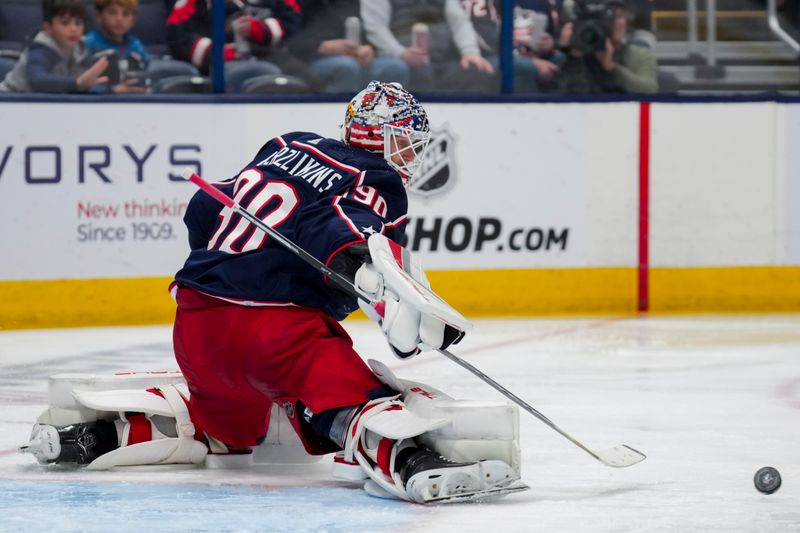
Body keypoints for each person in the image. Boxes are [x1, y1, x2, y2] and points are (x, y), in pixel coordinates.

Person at [19, 81, 526, 504]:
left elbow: (201, 208)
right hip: (276, 335)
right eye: (406, 141)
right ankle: (411, 461)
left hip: (196, 321)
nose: (411, 154)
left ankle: (101, 437)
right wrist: (377, 285)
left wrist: (235, 270)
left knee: (226, 429)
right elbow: (344, 232)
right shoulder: (375, 177)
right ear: (381, 137)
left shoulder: (287, 145)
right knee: (355, 398)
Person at [0, 0, 141, 93]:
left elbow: (88, 84)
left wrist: (114, 90)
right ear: (48, 27)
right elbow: (38, 81)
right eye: (65, 23)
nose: (73, 29)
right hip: (9, 100)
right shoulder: (41, 49)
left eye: (78, 23)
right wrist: (78, 83)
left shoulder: (81, 49)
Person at [165, 0, 302, 92]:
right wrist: (216, 53)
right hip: (215, 66)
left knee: (301, 75)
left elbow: (295, 22)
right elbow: (177, 33)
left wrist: (261, 30)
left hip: (269, 56)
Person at [361, 0, 496, 92]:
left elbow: (458, 20)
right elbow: (376, 28)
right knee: (417, 75)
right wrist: (401, 53)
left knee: (476, 71)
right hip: (399, 60)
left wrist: (470, 52)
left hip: (442, 58)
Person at [287, 0, 409, 92]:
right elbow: (289, 40)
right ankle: (340, 119)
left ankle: (385, 120)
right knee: (345, 66)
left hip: (350, 57)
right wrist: (321, 46)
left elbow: (358, 30)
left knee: (395, 67)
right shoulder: (299, 3)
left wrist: (366, 48)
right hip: (308, 60)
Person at [557, 0, 658, 93]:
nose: (614, 23)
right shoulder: (579, 54)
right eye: (607, 18)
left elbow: (650, 90)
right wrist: (571, 55)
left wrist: (612, 68)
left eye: (618, 16)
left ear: (626, 21)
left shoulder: (640, 55)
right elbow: (566, 100)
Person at [84, 0, 151, 90]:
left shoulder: (136, 46)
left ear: (133, 19)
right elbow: (79, 84)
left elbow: (147, 78)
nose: (119, 19)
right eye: (112, 13)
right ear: (99, 16)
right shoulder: (87, 43)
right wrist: (114, 90)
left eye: (125, 14)